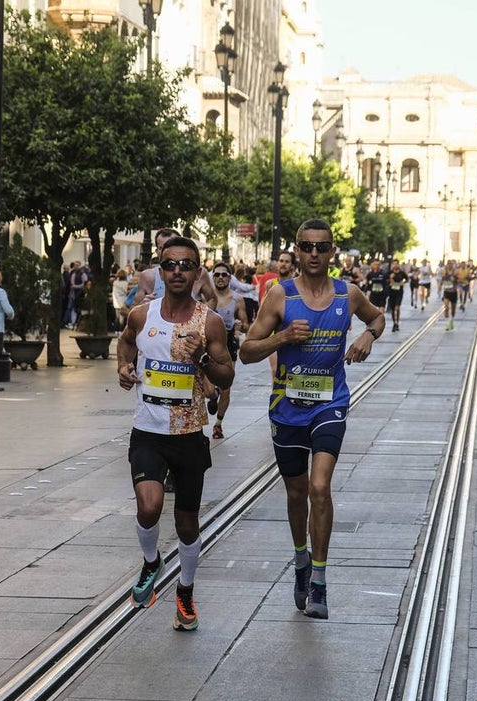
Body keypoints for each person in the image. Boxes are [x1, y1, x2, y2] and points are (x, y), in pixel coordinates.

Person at [239, 218, 385, 619]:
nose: (314, 254)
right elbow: (247, 351)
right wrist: (283, 338)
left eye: (322, 247)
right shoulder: (280, 296)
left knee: (320, 486)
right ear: (297, 251)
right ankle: (301, 559)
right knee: (297, 493)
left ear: (332, 251)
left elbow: (377, 317)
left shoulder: (347, 294)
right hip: (287, 407)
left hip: (329, 403)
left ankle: (319, 580)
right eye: (307, 247)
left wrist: (368, 335)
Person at [117, 236, 235, 631]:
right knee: (149, 507)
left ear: (198, 272)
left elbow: (226, 375)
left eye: (186, 265)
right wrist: (123, 368)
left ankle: (185, 590)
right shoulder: (141, 315)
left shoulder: (209, 322)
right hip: (148, 431)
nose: (178, 271)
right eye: (170, 265)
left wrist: (201, 357)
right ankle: (152, 562)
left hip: (188, 435)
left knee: (186, 523)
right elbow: (125, 345)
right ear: (160, 270)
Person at [207, 262, 247, 440]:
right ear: (212, 277)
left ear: (230, 278)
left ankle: (218, 424)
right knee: (208, 390)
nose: (220, 278)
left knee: (226, 387)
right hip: (208, 343)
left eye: (224, 274)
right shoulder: (207, 297)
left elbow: (246, 324)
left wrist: (240, 325)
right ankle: (212, 396)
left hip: (228, 344)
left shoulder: (237, 299)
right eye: (217, 274)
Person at [387, 261, 407, 332]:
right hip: (392, 292)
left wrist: (403, 282)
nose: (395, 265)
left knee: (397, 308)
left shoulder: (401, 273)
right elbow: (386, 280)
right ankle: (394, 323)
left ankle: (397, 322)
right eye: (394, 264)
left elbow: (406, 279)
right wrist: (390, 279)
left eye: (396, 264)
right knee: (393, 309)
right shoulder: (389, 273)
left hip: (399, 292)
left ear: (398, 265)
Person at [440, 261, 458, 331]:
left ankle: (451, 321)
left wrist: (454, 279)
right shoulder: (444, 271)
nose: (450, 265)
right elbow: (442, 279)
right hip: (446, 292)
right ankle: (447, 324)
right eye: (448, 264)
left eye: (451, 264)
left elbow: (457, 280)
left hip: (453, 292)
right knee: (446, 307)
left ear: (452, 265)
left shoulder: (455, 272)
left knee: (453, 310)